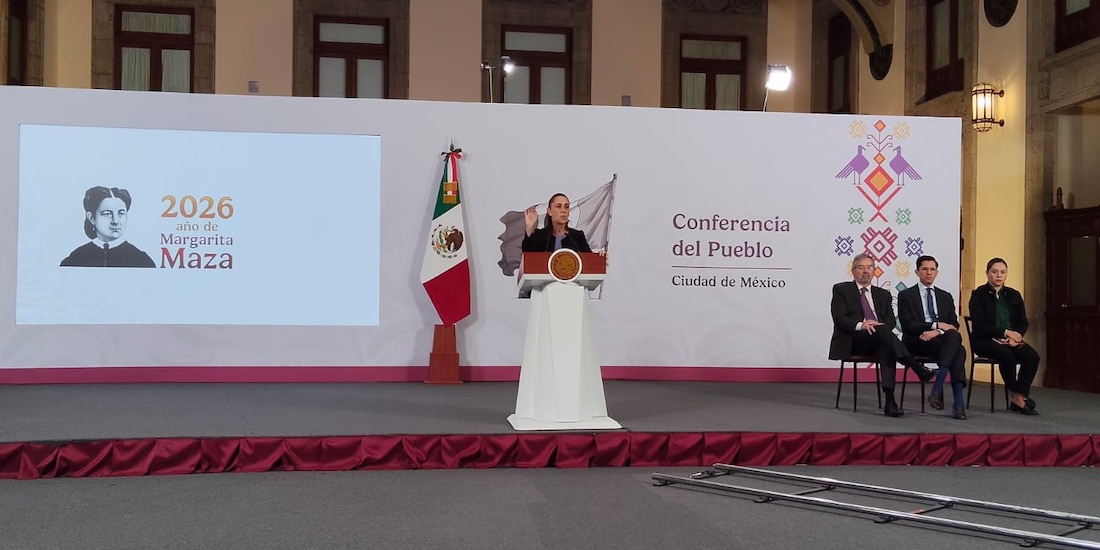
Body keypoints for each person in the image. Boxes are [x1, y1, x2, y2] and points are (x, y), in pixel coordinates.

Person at [829, 253, 934, 417]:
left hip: (879, 339)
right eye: (861, 267)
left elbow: (891, 321)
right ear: (853, 270)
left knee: (886, 344)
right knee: (884, 335)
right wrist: (862, 324)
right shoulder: (842, 290)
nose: (865, 271)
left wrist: (878, 326)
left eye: (869, 267)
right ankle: (915, 366)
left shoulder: (882, 294)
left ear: (874, 270)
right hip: (854, 339)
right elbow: (839, 317)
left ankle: (890, 402)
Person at [898, 255, 968, 420]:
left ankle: (940, 389)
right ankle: (957, 403)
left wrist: (937, 332)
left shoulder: (945, 296)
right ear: (917, 272)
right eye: (925, 269)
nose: (929, 273)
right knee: (958, 348)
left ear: (937, 272)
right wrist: (934, 326)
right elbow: (908, 325)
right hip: (918, 340)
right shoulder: (906, 295)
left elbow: (953, 324)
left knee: (956, 343)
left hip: (941, 340)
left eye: (932, 269)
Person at [968, 257, 1040, 415]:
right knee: (1007, 356)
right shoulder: (978, 295)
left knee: (1032, 356)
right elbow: (980, 325)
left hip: (1011, 340)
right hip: (984, 340)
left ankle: (1019, 395)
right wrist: (1006, 332)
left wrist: (1016, 336)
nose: (998, 275)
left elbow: (1023, 322)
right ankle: (1017, 397)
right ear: (987, 273)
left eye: (1002, 272)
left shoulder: (1014, 295)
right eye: (994, 272)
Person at [60, 186, 155, 268]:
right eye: (107, 214)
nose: (116, 221)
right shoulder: (75, 259)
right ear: (91, 218)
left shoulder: (142, 261)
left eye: (121, 213)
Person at [521, 192, 603, 255]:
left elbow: (588, 261)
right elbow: (528, 257)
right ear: (549, 211)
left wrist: (599, 257)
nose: (563, 210)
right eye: (558, 206)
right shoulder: (539, 236)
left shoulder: (577, 236)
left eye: (566, 207)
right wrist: (529, 228)